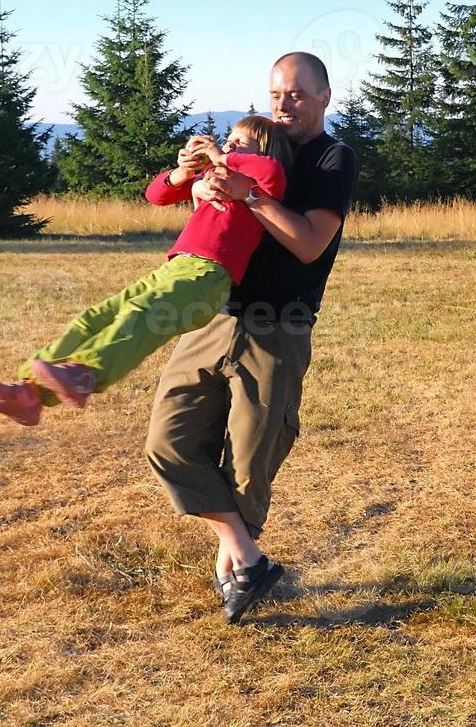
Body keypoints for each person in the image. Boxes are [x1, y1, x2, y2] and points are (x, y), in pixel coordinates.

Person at [145, 52, 358, 624]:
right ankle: (248, 558)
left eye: (298, 95)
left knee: (249, 462)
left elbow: (310, 242)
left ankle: (238, 558)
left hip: (278, 327)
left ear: (325, 97)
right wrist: (192, 177)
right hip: (215, 317)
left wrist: (251, 195)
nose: (285, 105)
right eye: (276, 95)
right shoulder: (253, 147)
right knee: (168, 442)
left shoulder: (332, 158)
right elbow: (193, 207)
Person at [0, 116, 293, 426]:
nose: (230, 146)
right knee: (97, 316)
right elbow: (156, 194)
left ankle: (87, 375)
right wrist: (184, 172)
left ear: (265, 151)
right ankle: (30, 393)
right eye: (228, 140)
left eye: (240, 143)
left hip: (208, 277)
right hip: (176, 267)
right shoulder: (216, 177)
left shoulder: (262, 181)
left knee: (142, 313)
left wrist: (219, 155)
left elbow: (270, 169)